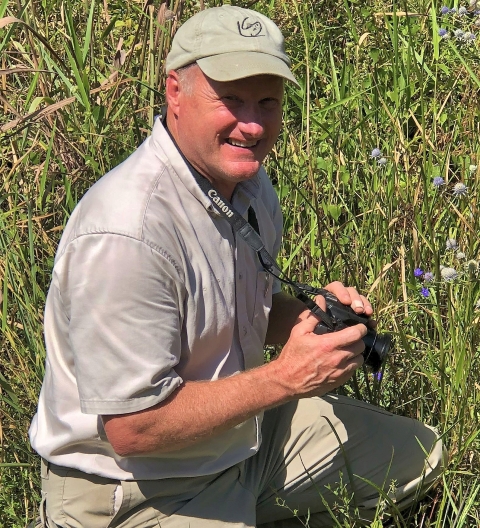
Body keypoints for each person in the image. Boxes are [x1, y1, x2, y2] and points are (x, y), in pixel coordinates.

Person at [29, 5, 444, 527]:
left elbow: (228, 315)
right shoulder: (127, 232)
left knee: (418, 455)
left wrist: (308, 317)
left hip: (238, 437)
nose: (251, 125)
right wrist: (286, 379)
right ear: (174, 91)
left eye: (267, 101)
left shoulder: (245, 184)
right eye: (231, 99)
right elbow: (133, 428)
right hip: (138, 484)